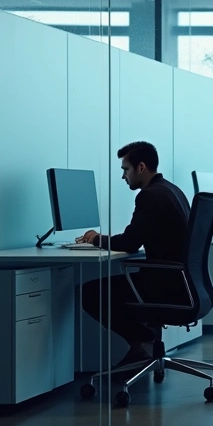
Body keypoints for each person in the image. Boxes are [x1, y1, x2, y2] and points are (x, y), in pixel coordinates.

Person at [78, 141, 190, 368]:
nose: (123, 177)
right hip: (182, 283)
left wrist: (96, 239)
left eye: (125, 170)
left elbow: (130, 243)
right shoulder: (171, 190)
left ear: (140, 167)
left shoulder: (150, 196)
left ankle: (142, 340)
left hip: (165, 285)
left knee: (91, 292)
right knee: (111, 289)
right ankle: (143, 344)